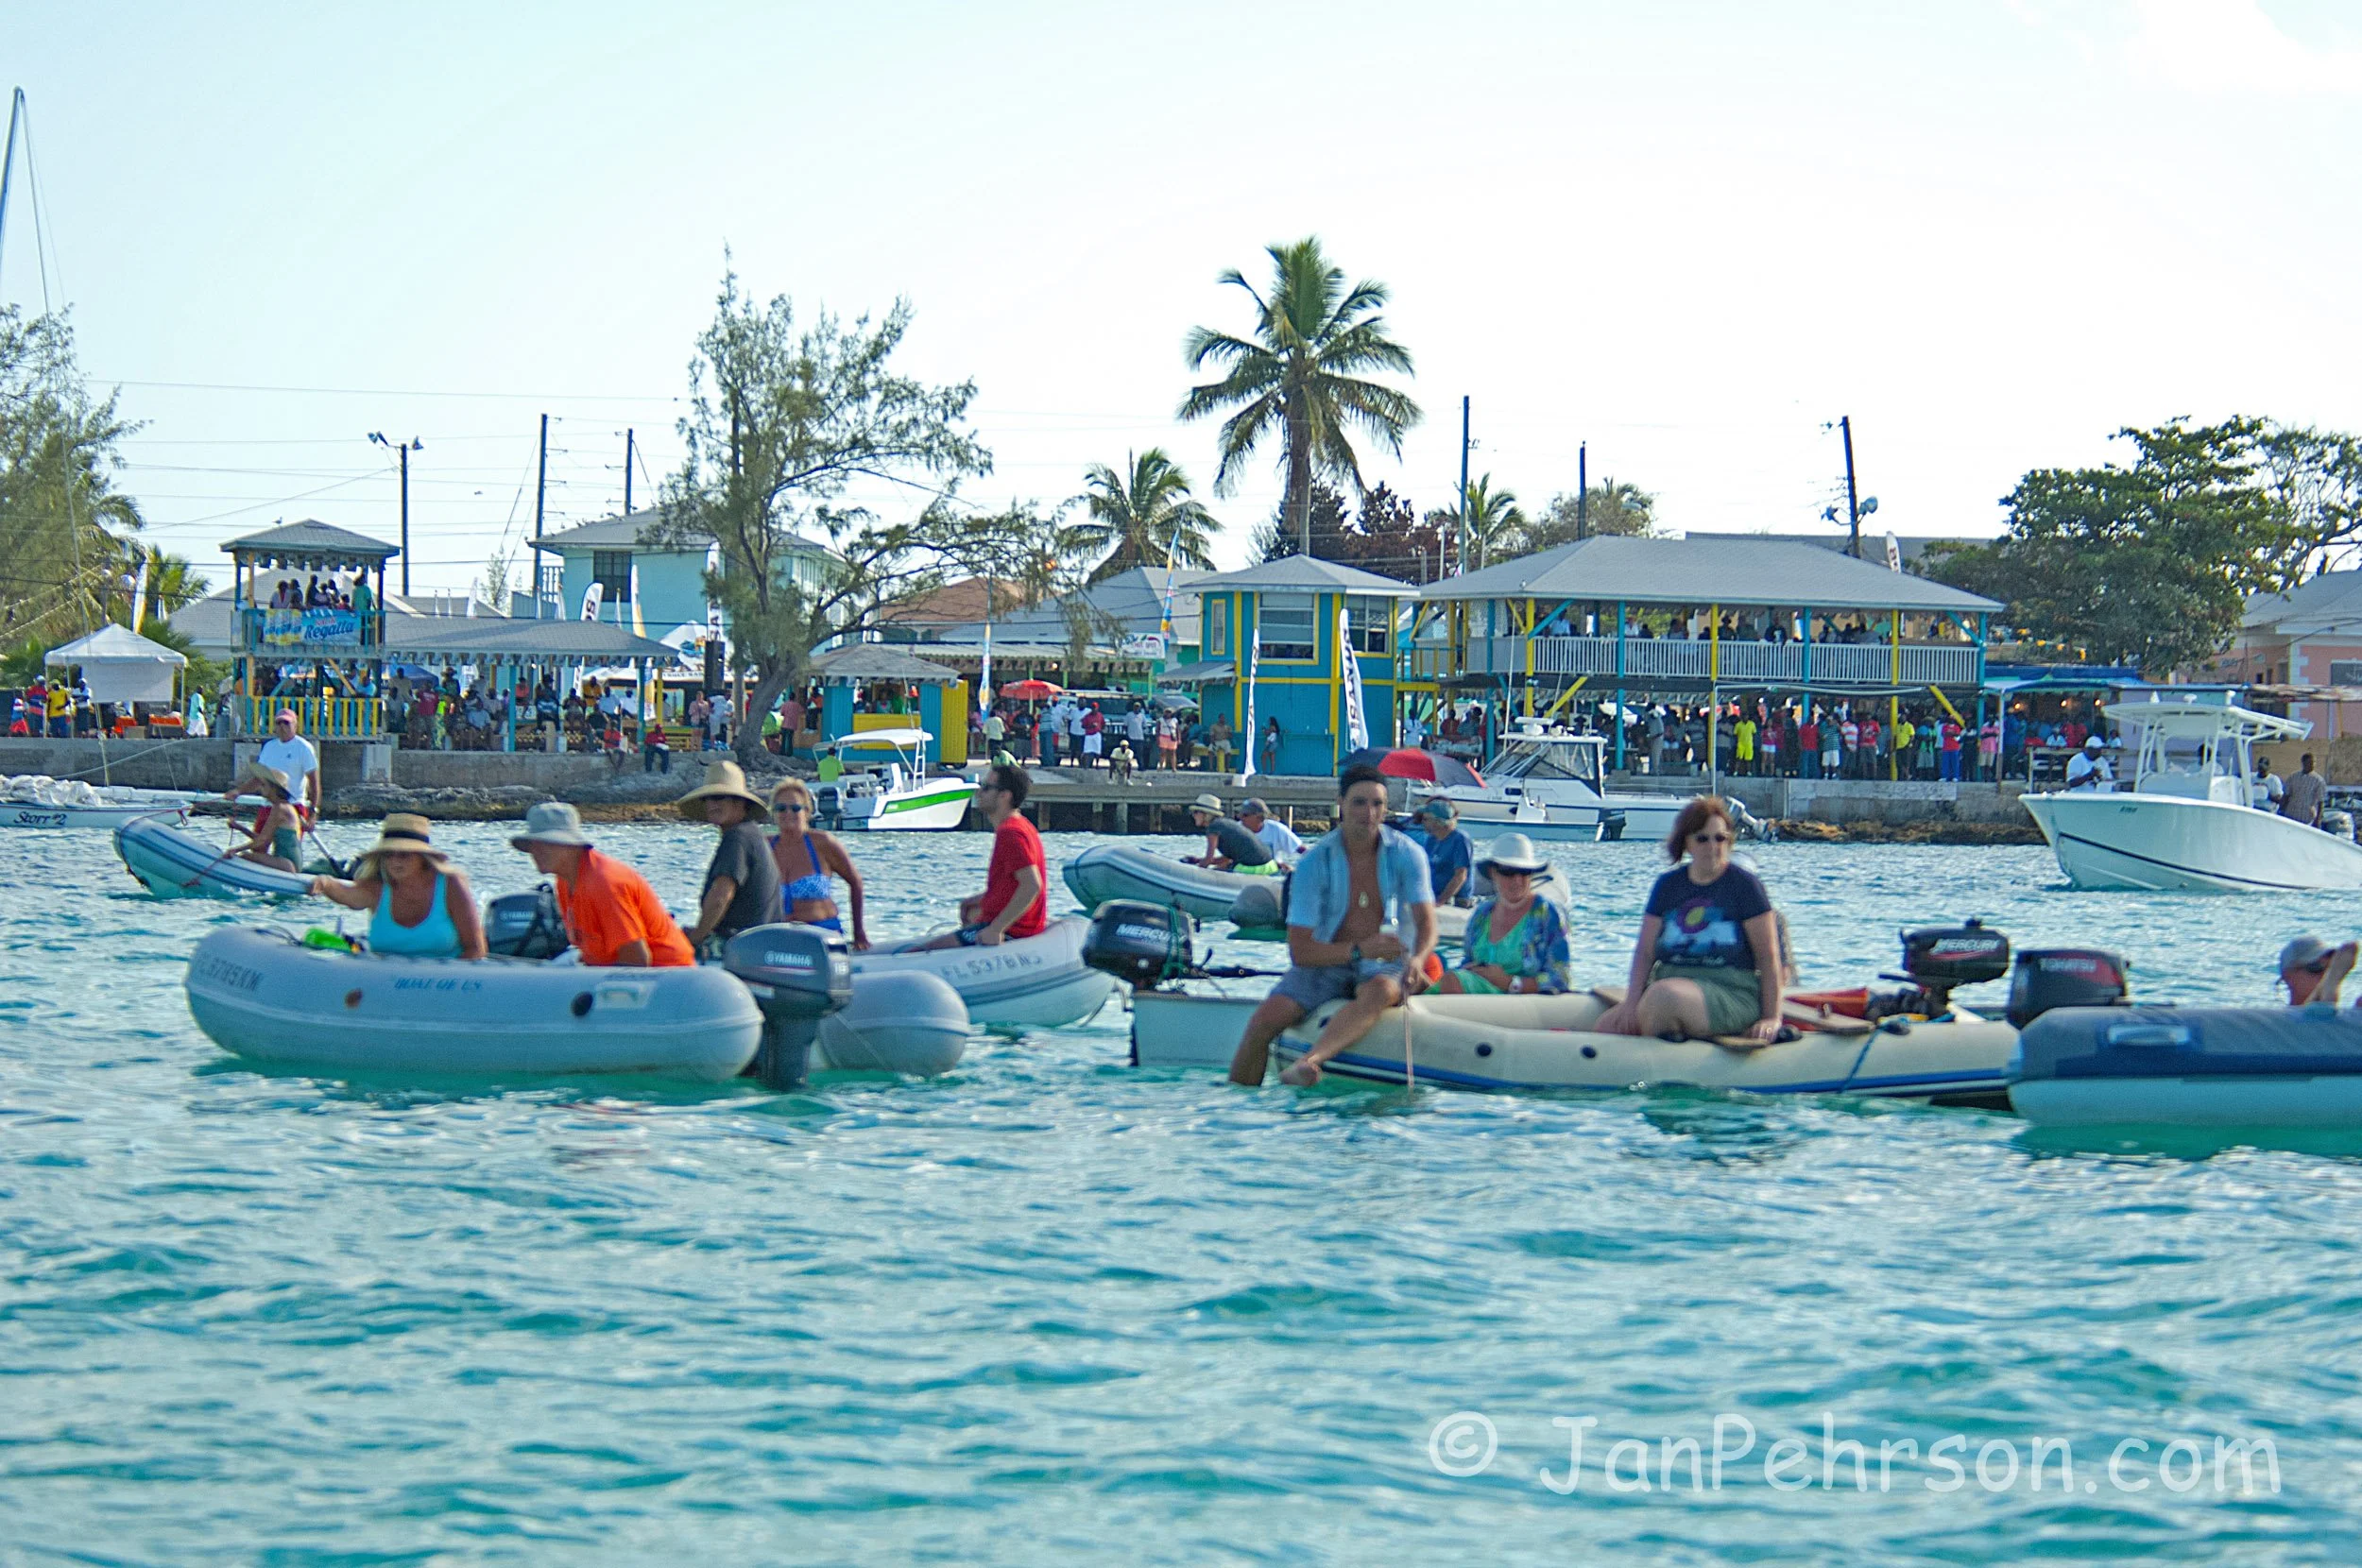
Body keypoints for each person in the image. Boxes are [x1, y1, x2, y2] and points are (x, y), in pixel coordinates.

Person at [1227, 764, 1439, 1087]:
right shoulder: (1315, 862)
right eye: (1359, 802)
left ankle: (1309, 1062)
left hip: (1384, 965)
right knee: (1263, 1020)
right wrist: (1359, 950)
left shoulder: (1407, 854)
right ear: (1340, 803)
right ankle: (1236, 1107)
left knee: (1380, 989)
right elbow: (1300, 952)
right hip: (1326, 964)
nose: (1369, 813)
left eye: (1377, 804)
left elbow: (1427, 924)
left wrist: (1418, 958)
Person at [1596, 796, 1783, 1044]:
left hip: (1730, 991)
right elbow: (1644, 952)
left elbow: (1768, 958)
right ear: (1687, 843)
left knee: (1662, 999)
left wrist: (1772, 1018)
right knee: (1604, 1028)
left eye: (1720, 838)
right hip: (1671, 980)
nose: (1712, 846)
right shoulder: (1668, 886)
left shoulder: (1745, 887)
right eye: (1702, 838)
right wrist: (1631, 1003)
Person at [509, 801, 695, 966]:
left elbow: (637, 960)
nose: (535, 852)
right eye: (533, 845)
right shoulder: (565, 881)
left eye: (546, 844)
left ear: (571, 846)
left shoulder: (604, 883)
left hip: (667, 978)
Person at [308, 813, 487, 960]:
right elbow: (349, 895)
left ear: (422, 857)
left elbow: (476, 949)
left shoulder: (450, 884)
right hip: (386, 982)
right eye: (389, 855)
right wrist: (326, 883)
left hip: (444, 984)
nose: (395, 861)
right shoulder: (377, 888)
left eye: (404, 855)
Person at [919, 762, 1047, 948]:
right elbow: (1012, 885)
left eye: (986, 787)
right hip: (1007, 924)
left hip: (1013, 930)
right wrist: (976, 901)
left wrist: (996, 929)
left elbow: (1032, 885)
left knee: (919, 952)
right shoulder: (1020, 825)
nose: (979, 792)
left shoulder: (1011, 833)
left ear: (1005, 795)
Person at [1431, 834, 1570, 997]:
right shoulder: (1481, 915)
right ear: (1492, 872)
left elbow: (1560, 979)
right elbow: (1468, 962)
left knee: (1453, 980)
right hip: (1478, 997)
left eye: (1524, 872)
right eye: (1508, 871)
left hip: (1522, 1004)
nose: (1517, 879)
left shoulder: (1548, 914)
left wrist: (1509, 982)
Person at [676, 759, 785, 952]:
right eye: (707, 798)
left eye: (718, 797)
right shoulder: (751, 834)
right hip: (763, 943)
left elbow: (721, 896)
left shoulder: (737, 838)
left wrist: (696, 937)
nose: (711, 804)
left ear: (740, 802)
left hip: (742, 946)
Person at [769, 778, 870, 947]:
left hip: (822, 935)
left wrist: (859, 933)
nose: (788, 813)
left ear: (807, 812)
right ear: (773, 813)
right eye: (781, 808)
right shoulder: (765, 847)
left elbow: (856, 882)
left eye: (795, 808)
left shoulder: (823, 843)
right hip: (780, 939)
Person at [254, 708, 323, 821]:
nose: (282, 726)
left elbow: (314, 783)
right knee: (259, 838)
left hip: (293, 806)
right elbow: (259, 778)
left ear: (295, 726)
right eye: (278, 723)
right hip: (268, 806)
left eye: (286, 723)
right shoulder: (268, 747)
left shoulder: (304, 748)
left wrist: (313, 812)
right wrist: (238, 792)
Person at [1185, 793, 1276, 874]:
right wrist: (1197, 860)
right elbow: (1227, 858)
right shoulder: (1224, 824)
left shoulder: (1213, 828)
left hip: (1253, 868)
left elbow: (1208, 860)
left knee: (1219, 871)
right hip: (1269, 866)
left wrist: (1194, 874)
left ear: (1206, 814)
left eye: (1196, 812)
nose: (1193, 815)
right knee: (1221, 868)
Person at [1416, 797, 1477, 906]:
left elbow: (1460, 876)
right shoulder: (1431, 840)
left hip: (1456, 902)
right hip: (1432, 897)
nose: (1422, 822)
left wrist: (1440, 901)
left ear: (1438, 822)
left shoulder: (1460, 839)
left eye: (1426, 819)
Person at [2278, 935, 2357, 1005]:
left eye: (2329, 967)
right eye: (2315, 967)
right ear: (2289, 976)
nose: (2324, 975)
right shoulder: (2278, 1020)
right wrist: (2332, 978)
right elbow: (2320, 1014)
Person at [1239, 797, 1306, 864]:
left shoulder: (1277, 829)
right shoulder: (1236, 830)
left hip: (1271, 872)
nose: (1240, 817)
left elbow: (1300, 849)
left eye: (1245, 815)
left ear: (1259, 817)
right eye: (1240, 814)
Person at [2282, 754, 2328, 827]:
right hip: (2291, 815)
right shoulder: (2293, 776)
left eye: (2314, 762)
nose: (2312, 764)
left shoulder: (2318, 780)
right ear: (2303, 762)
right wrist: (2281, 811)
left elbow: (2321, 802)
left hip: (2307, 818)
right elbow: (2286, 795)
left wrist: (2318, 820)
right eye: (2310, 762)